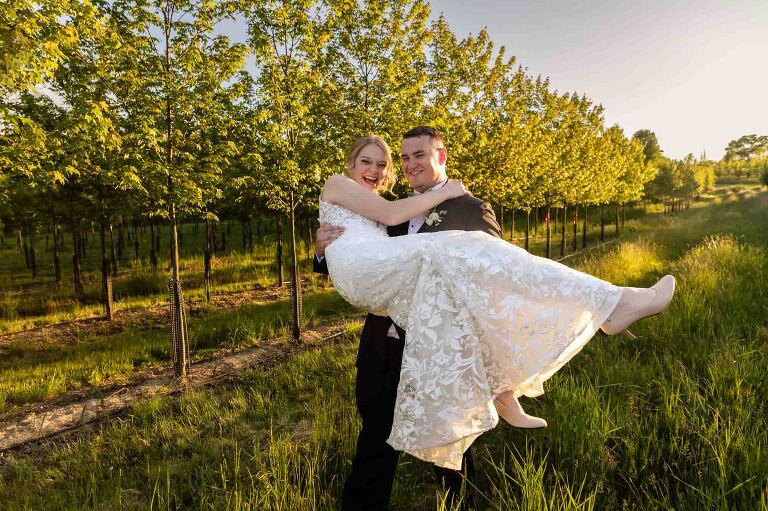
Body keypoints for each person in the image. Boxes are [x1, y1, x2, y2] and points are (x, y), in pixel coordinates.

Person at [316, 129, 675, 507]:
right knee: (374, 444)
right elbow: (359, 257)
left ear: (442, 156)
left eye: (416, 155)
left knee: (454, 440)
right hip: (385, 347)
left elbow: (498, 282)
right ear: (353, 164)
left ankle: (458, 499)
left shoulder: (471, 208)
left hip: (446, 346)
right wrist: (321, 250)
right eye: (402, 159)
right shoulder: (383, 205)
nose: (409, 165)